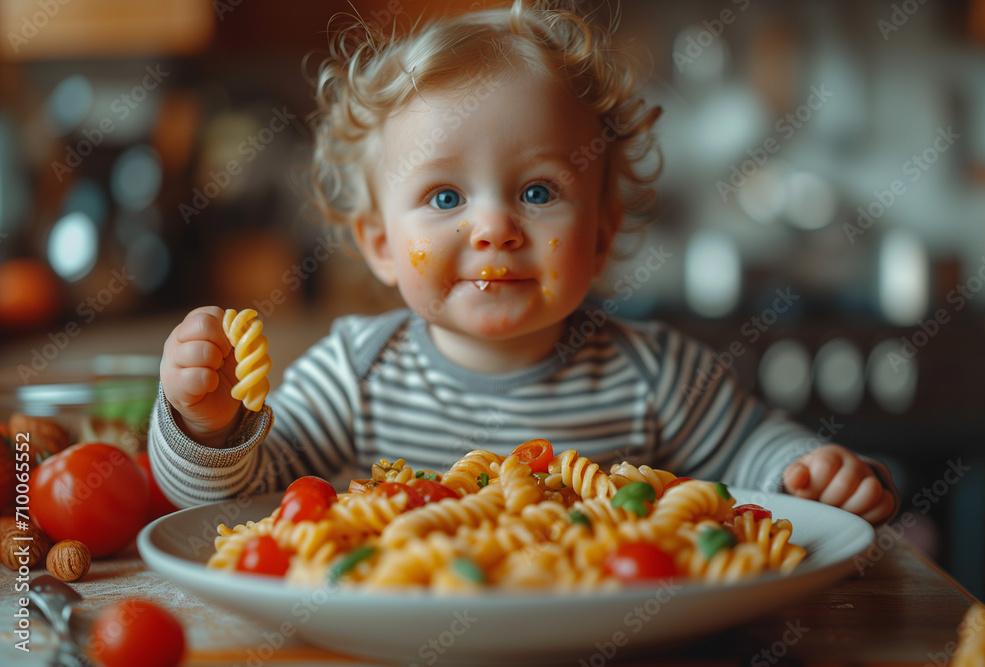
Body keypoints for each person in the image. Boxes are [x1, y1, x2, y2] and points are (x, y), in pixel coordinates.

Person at [149, 0, 897, 524]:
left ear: (602, 232)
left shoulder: (656, 376)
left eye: (538, 190)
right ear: (379, 242)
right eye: (444, 196)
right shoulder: (352, 377)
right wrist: (209, 426)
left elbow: (755, 450)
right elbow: (226, 507)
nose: (494, 227)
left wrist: (807, 469)